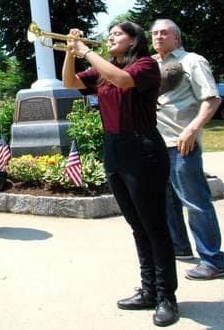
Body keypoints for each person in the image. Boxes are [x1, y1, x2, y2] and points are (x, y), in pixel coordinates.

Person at [63, 21, 178, 327]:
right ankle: (149, 290)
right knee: (137, 225)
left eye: (117, 34)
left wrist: (86, 50)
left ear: (133, 40)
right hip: (114, 147)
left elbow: (123, 81)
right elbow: (70, 83)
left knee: (154, 226)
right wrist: (71, 52)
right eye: (109, 34)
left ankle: (167, 296)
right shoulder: (103, 67)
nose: (110, 37)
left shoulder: (146, 65)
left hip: (142, 147)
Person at [151, 18, 224, 284]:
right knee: (167, 202)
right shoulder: (151, 64)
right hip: (158, 144)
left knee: (195, 202)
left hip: (183, 143)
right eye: (155, 33)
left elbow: (213, 98)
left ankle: (212, 260)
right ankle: (179, 246)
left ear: (176, 37)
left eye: (165, 32)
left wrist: (192, 129)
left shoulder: (192, 61)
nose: (159, 37)